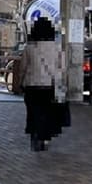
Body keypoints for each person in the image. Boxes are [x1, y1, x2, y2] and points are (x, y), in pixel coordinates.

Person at [20, 17, 70, 151]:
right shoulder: (58, 48)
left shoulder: (29, 48)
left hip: (32, 86)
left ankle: (35, 134)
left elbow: (23, 67)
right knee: (49, 112)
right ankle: (45, 138)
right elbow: (62, 68)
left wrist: (21, 82)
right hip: (51, 86)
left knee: (33, 112)